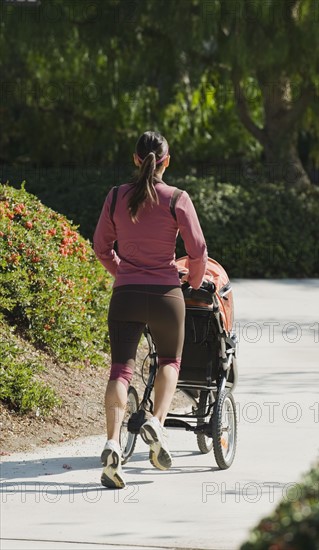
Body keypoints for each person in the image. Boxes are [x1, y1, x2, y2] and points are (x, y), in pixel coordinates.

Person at [93, 131, 207, 489]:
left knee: (120, 371)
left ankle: (112, 443)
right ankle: (156, 422)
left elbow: (101, 247)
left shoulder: (114, 197)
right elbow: (199, 251)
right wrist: (191, 283)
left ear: (135, 159)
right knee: (169, 361)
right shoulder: (177, 198)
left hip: (125, 295)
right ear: (166, 161)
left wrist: (123, 272)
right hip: (166, 296)